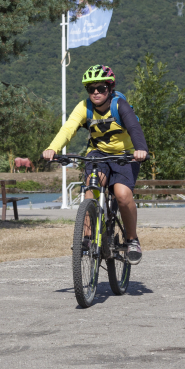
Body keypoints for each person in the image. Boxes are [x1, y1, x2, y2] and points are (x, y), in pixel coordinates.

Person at [42, 65, 149, 264]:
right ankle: (88, 238)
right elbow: (68, 129)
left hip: (125, 156)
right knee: (92, 185)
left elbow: (134, 127)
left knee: (122, 195)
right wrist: (53, 148)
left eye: (101, 88)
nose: (96, 93)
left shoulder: (120, 105)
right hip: (98, 155)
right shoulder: (84, 107)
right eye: (91, 89)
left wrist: (140, 149)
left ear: (110, 88)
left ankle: (132, 240)